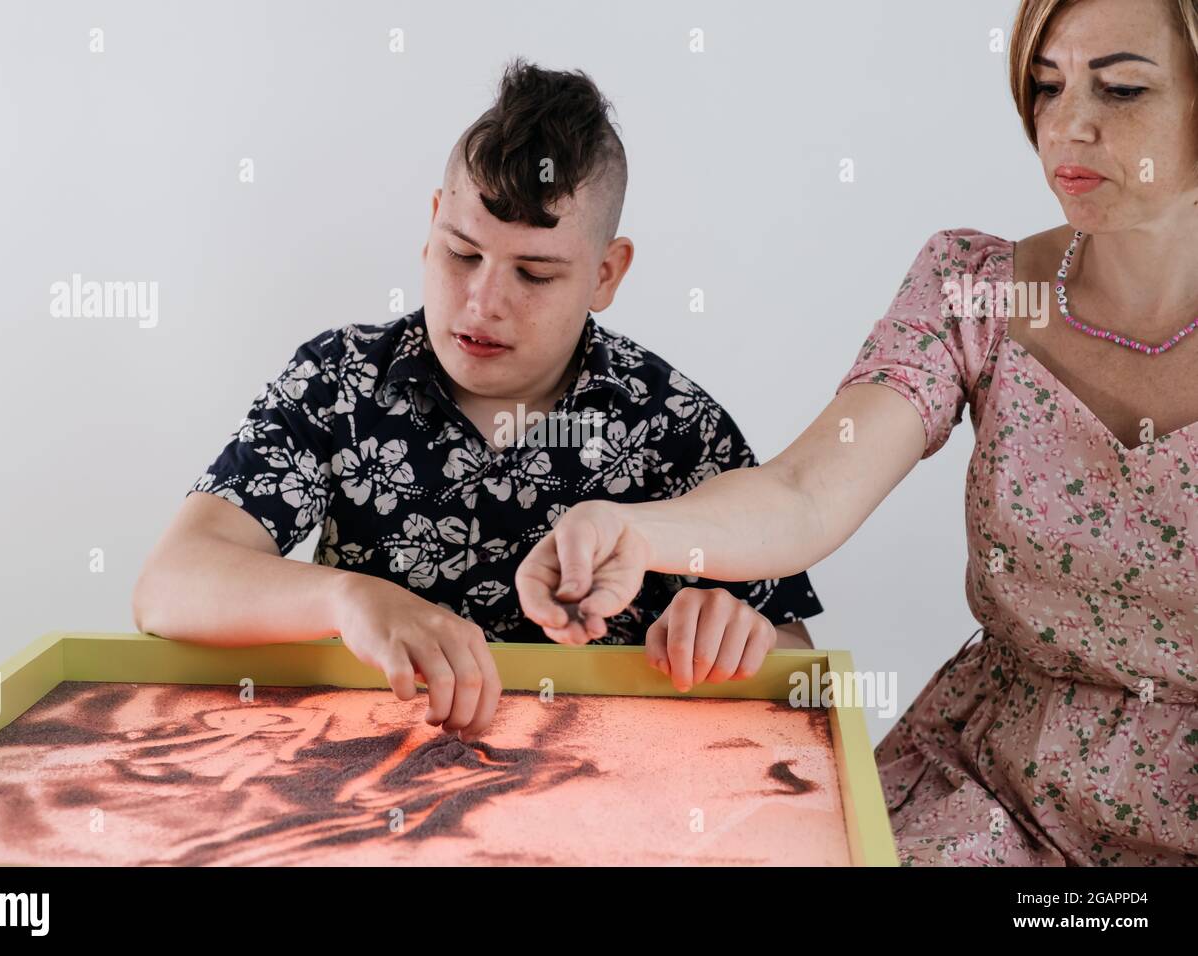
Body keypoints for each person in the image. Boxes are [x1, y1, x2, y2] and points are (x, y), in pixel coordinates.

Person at [516, 0, 1198, 865]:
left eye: (1124, 90)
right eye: (1047, 85)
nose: (1068, 126)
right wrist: (636, 529)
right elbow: (807, 490)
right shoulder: (974, 287)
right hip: (995, 794)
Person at [132, 59, 823, 745]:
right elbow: (168, 586)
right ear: (433, 223)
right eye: (462, 255)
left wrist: (736, 639)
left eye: (534, 273)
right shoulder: (339, 380)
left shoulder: (675, 423)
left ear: (606, 274)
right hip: (358, 780)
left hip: (598, 802)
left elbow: (799, 669)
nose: (482, 303)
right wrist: (349, 599)